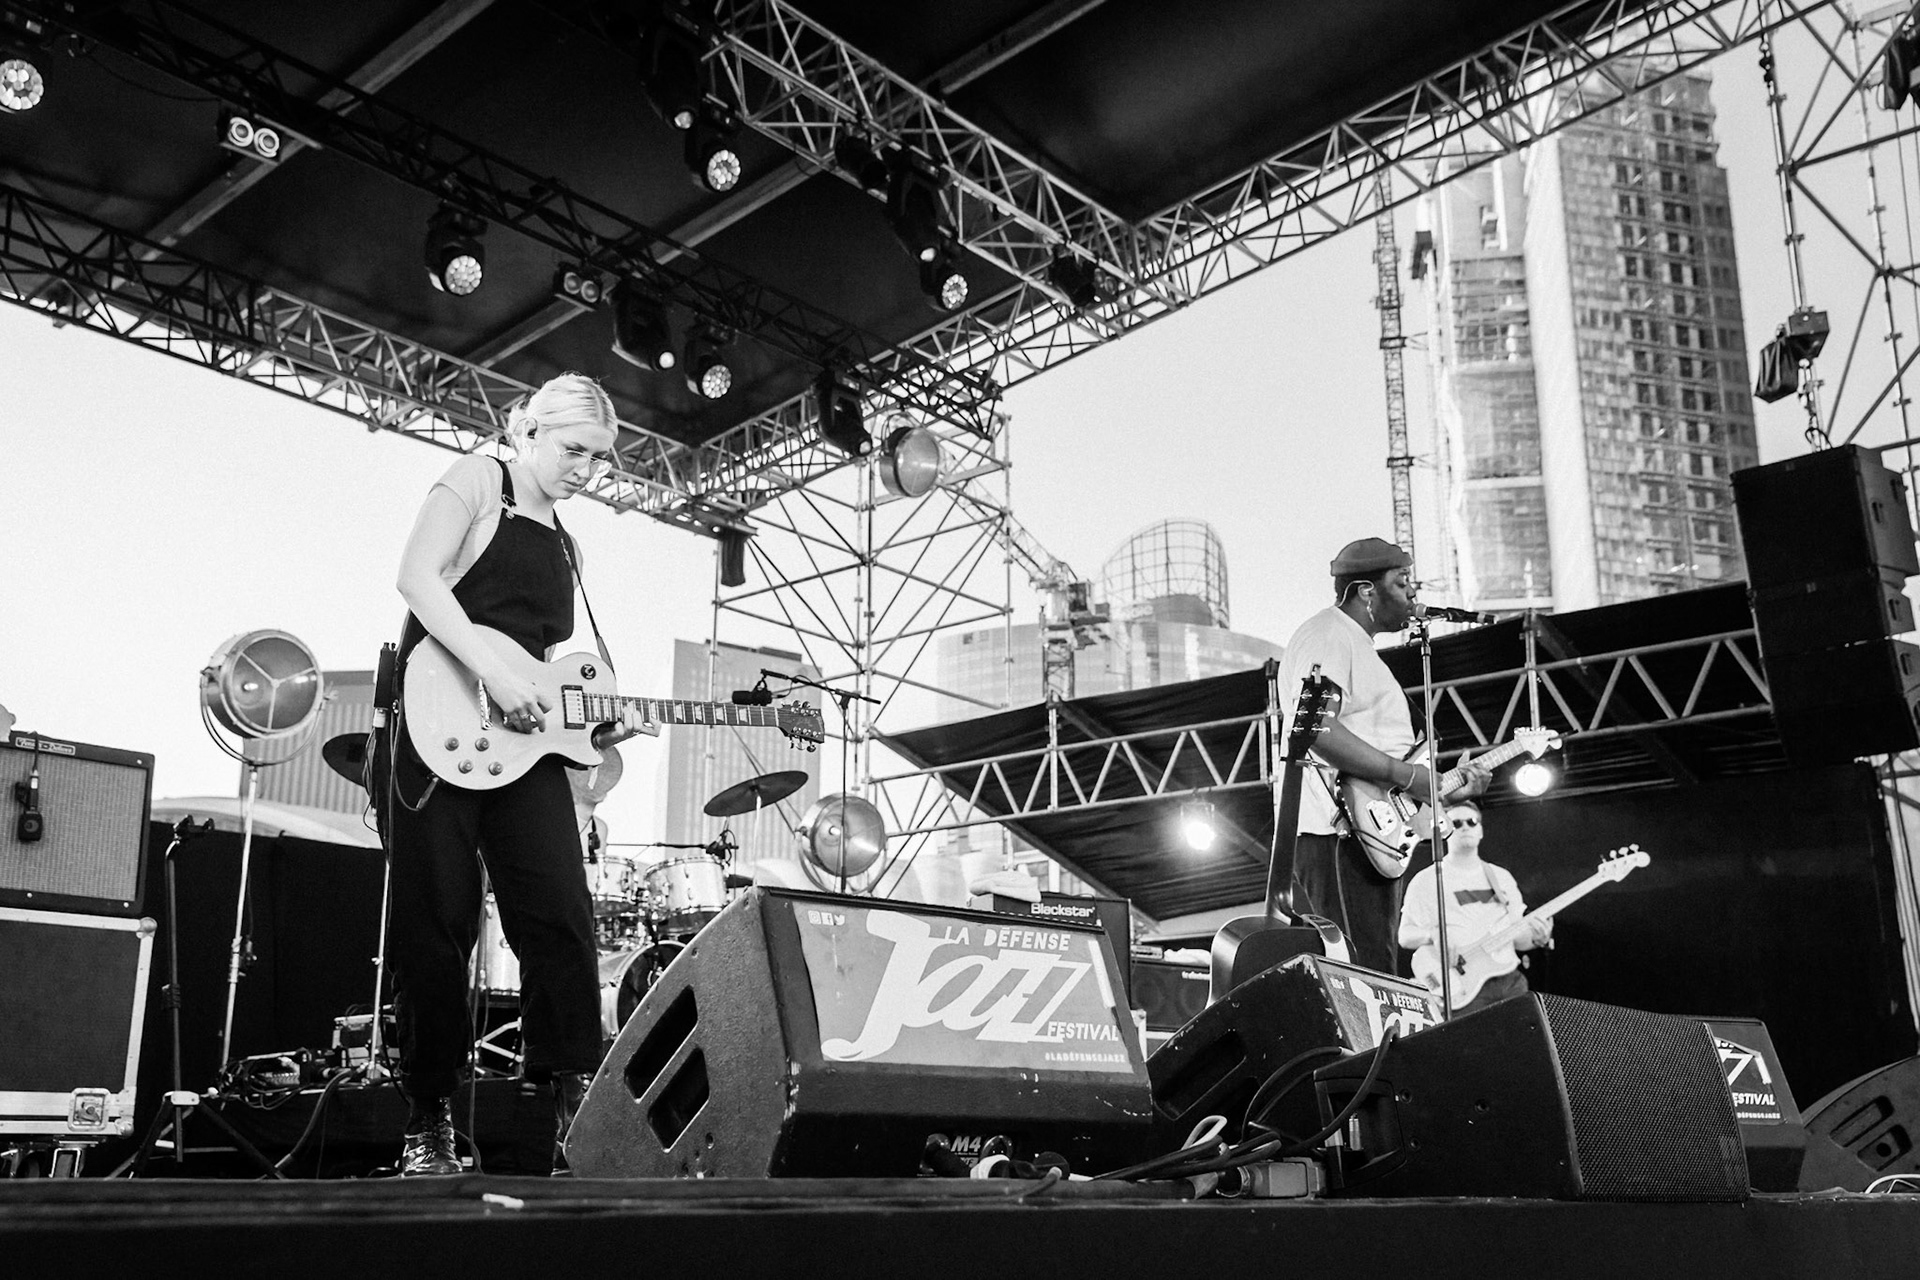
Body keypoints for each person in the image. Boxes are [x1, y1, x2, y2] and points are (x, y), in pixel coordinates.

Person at [384, 372, 655, 1176]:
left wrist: (598, 722)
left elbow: (544, 667)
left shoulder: (568, 543)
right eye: (574, 450)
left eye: (600, 460)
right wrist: (491, 674)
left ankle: (571, 1110)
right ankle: (427, 1118)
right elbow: (416, 580)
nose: (586, 471)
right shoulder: (479, 478)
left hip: (524, 741)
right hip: (438, 720)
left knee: (562, 920)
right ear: (527, 431)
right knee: (437, 928)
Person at [1273, 537, 1489, 973]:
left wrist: (1440, 783)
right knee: (1361, 975)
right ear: (1366, 591)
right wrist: (1408, 776)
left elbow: (1385, 759)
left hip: (1371, 832)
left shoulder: (1357, 646)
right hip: (1335, 834)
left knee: (1376, 970)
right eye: (1401, 581)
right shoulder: (1328, 634)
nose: (1413, 592)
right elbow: (1313, 727)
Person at [1398, 800, 1552, 1017]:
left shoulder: (1500, 877)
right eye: (1456, 822)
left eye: (1472, 822)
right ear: (1445, 830)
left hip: (1509, 979)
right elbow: (1404, 936)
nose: (1465, 827)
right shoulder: (1426, 880)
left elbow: (1519, 940)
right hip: (1462, 985)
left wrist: (1538, 938)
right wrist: (1434, 934)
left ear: (1480, 830)